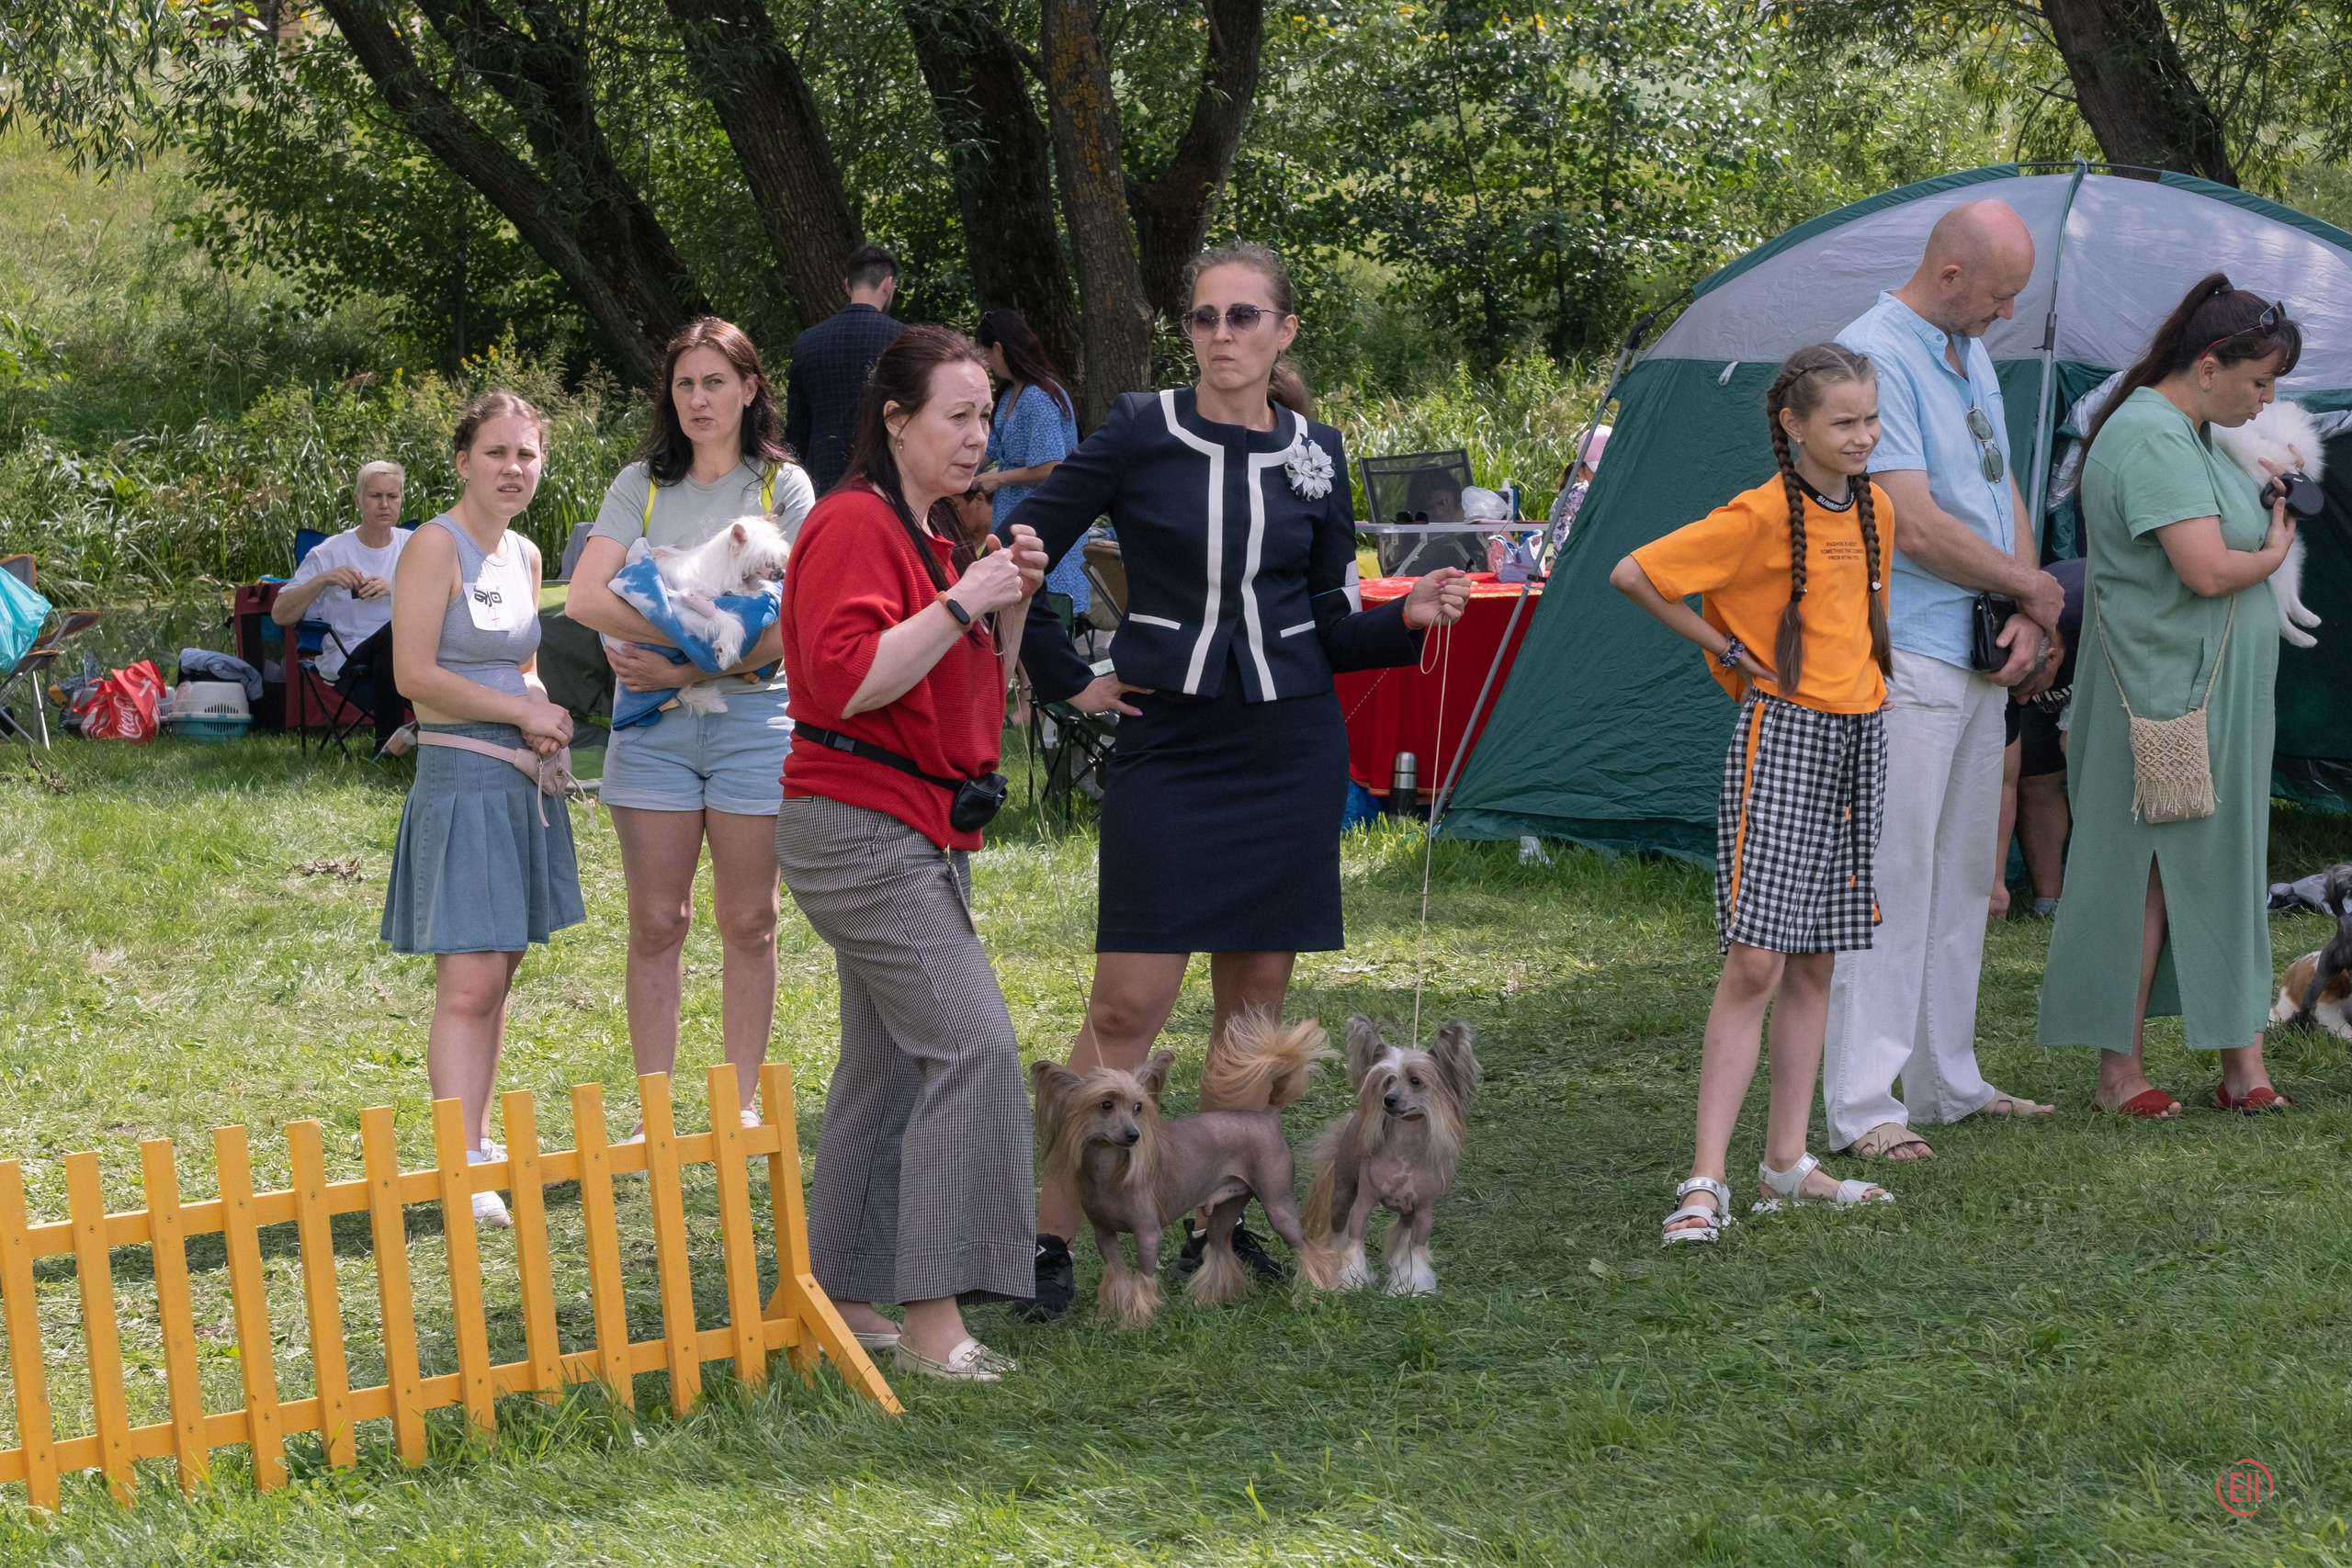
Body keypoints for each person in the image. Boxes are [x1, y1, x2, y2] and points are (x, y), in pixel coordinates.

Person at [1009, 242, 1470, 1314]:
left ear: (1283, 332)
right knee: (1126, 1006)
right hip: (1171, 746)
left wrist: (1402, 618)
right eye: (1206, 316)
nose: (1224, 335)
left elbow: (1324, 619)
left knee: (1251, 1016)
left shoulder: (1317, 448)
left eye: (1245, 317)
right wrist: (1061, 673)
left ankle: (1212, 1229)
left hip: (1287, 751)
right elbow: (1024, 541)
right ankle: (1047, 1240)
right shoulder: (1138, 428)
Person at [775, 325, 1049, 1382]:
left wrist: (1003, 605)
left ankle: (841, 1290)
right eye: (958, 416)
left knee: (887, 1065)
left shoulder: (934, 534)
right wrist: (961, 599)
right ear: (895, 420)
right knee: (971, 1048)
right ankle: (936, 1320)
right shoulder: (852, 525)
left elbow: (974, 692)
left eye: (985, 415)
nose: (979, 436)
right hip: (858, 828)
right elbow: (847, 681)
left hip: (919, 825)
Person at [1610, 344, 1897, 1242]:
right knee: (1756, 960)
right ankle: (1705, 1181)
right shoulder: (1757, 514)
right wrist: (1730, 653)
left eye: (1870, 418)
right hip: (1785, 740)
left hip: (1861, 736)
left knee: (1817, 957)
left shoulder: (1877, 505)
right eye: (1843, 422)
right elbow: (1636, 573)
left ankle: (1784, 1164)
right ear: (1794, 425)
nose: (1862, 436)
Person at [1823, 199, 2061, 1161]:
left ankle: (1945, 1079)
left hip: (1977, 640)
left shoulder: (1971, 352)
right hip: (1906, 647)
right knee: (1893, 874)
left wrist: (2029, 603)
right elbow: (1908, 522)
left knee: (1966, 874)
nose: (2005, 315)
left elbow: (2000, 486)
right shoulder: (1869, 354)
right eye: (1998, 296)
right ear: (1952, 275)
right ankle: (1860, 1104)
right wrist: (2028, 587)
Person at [2039, 276, 2301, 1116]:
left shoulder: (2192, 431)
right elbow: (2206, 570)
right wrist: (2274, 548)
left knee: (2226, 865)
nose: (2266, 401)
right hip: (2159, 698)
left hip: (2211, 691)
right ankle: (2119, 1073)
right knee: (2142, 875)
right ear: (2210, 362)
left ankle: (2241, 1068)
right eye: (2259, 382)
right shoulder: (2150, 435)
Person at [563, 317, 817, 1130]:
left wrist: (686, 665)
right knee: (655, 920)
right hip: (655, 736)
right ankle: (655, 1110)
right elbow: (584, 598)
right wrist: (697, 651)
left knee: (750, 920)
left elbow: (802, 620)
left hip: (754, 729)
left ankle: (737, 1104)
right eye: (684, 384)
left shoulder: (786, 489)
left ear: (750, 389)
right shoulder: (639, 484)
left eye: (715, 382)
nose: (699, 399)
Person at [381, 391, 583, 1229]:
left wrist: (551, 716)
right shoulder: (435, 544)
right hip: (460, 787)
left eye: (527, 455)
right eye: (496, 453)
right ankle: (459, 1170)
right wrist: (520, 714)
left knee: (498, 976)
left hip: (518, 788)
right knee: (468, 982)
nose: (513, 469)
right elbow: (414, 676)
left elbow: (526, 667)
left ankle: (474, 1143)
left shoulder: (528, 556)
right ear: (462, 460)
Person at [274, 460, 412, 750]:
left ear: (401, 499)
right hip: (351, 659)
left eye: (393, 496)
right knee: (394, 634)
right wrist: (322, 580)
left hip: (414, 654)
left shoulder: (416, 546)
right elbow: (280, 614)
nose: (385, 504)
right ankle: (388, 747)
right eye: (376, 496)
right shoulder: (329, 552)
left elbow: (452, 601)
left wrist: (395, 589)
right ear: (358, 500)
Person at [1991, 555, 2084, 919]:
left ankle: (2112, 897)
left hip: (2117, 675)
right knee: (2034, 780)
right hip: (2048, 678)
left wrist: (2072, 718)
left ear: (2056, 655)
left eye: (2029, 688)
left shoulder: (2086, 613)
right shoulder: (2003, 652)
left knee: (2100, 777)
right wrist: (1995, 882)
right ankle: (2050, 904)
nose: (2025, 700)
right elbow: (2005, 781)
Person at [976, 309, 1083, 614]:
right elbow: (992, 449)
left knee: (1043, 608)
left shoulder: (1039, 397)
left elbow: (1052, 467)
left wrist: (998, 479)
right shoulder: (1011, 392)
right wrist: (961, 474)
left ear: (998, 347)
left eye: (986, 353)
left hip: (1042, 519)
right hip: (1014, 515)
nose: (987, 362)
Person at [786, 246, 906, 493]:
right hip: (887, 475)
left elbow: (796, 433)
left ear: (847, 285)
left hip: (823, 480)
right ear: (888, 284)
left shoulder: (808, 341)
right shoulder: (903, 339)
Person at [1548, 424, 1611, 543]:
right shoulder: (1576, 496)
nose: (1605, 477)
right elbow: (1557, 511)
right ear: (1581, 471)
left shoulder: (1632, 493)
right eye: (1597, 471)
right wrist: (1561, 551)